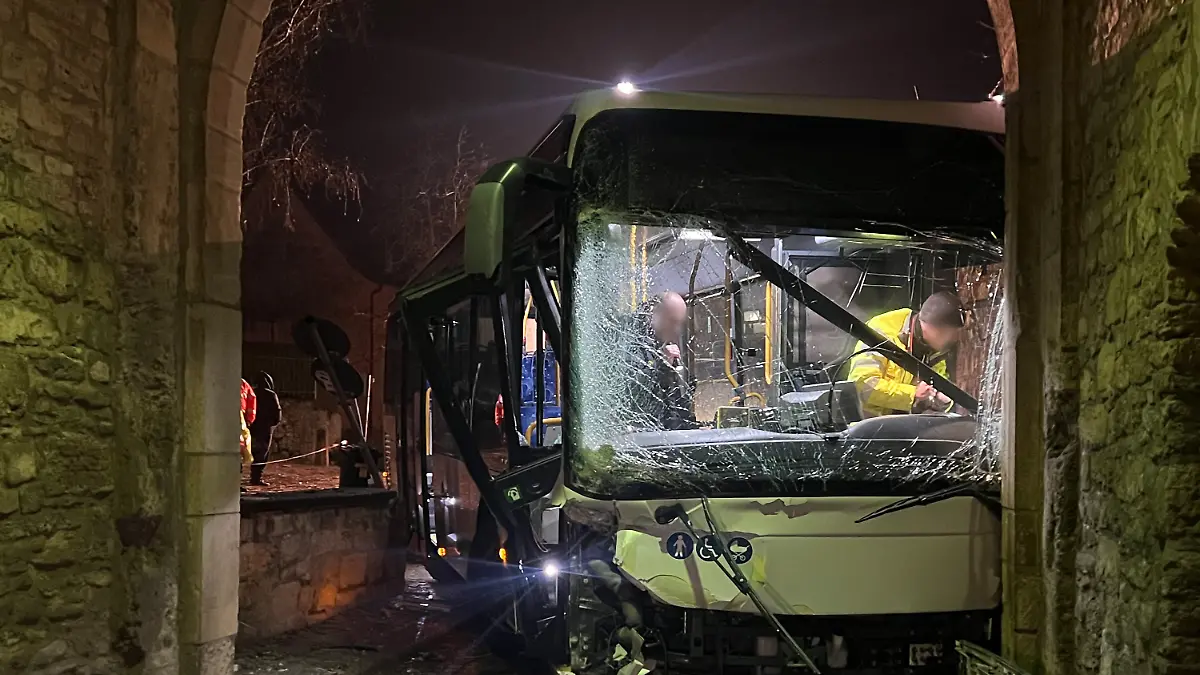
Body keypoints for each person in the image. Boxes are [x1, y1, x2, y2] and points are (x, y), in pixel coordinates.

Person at [847, 291, 965, 418]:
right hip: (864, 427)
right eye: (951, 335)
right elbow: (863, 386)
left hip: (902, 427)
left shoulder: (934, 349)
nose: (954, 339)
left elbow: (937, 385)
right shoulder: (881, 333)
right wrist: (912, 394)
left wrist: (941, 400)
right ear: (936, 330)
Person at [624, 291, 697, 430]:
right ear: (654, 314)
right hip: (640, 433)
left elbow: (672, 397)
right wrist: (661, 366)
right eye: (672, 322)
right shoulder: (631, 341)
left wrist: (690, 426)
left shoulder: (662, 343)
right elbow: (631, 391)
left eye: (679, 324)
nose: (676, 330)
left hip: (664, 431)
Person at [248, 371, 282, 486]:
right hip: (265, 429)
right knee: (262, 453)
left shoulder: (251, 392)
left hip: (251, 427)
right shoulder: (270, 394)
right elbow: (277, 412)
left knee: (248, 451)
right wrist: (273, 423)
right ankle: (256, 478)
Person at [239, 378, 256, 469]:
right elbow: (251, 400)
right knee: (243, 437)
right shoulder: (242, 383)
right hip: (239, 414)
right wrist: (250, 419)